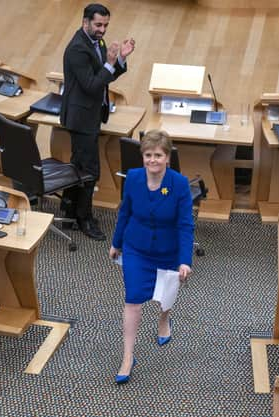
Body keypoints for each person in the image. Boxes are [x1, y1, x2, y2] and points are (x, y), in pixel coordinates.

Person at [109, 130, 194, 384]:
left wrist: (185, 259)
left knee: (165, 297)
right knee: (133, 299)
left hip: (168, 251)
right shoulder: (134, 178)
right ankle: (127, 356)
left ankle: (164, 319)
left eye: (158, 155)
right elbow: (125, 212)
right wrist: (116, 242)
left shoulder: (179, 184)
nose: (152, 160)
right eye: (148, 155)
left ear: (167, 157)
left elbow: (185, 225)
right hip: (136, 247)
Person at [61, 3, 135, 240]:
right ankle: (85, 218)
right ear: (86, 22)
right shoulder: (77, 50)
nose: (103, 30)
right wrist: (110, 62)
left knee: (79, 165)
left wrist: (120, 58)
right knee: (89, 171)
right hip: (81, 118)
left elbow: (105, 76)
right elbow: (93, 85)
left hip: (91, 114)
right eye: (98, 25)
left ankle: (70, 210)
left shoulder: (96, 41)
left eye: (105, 25)